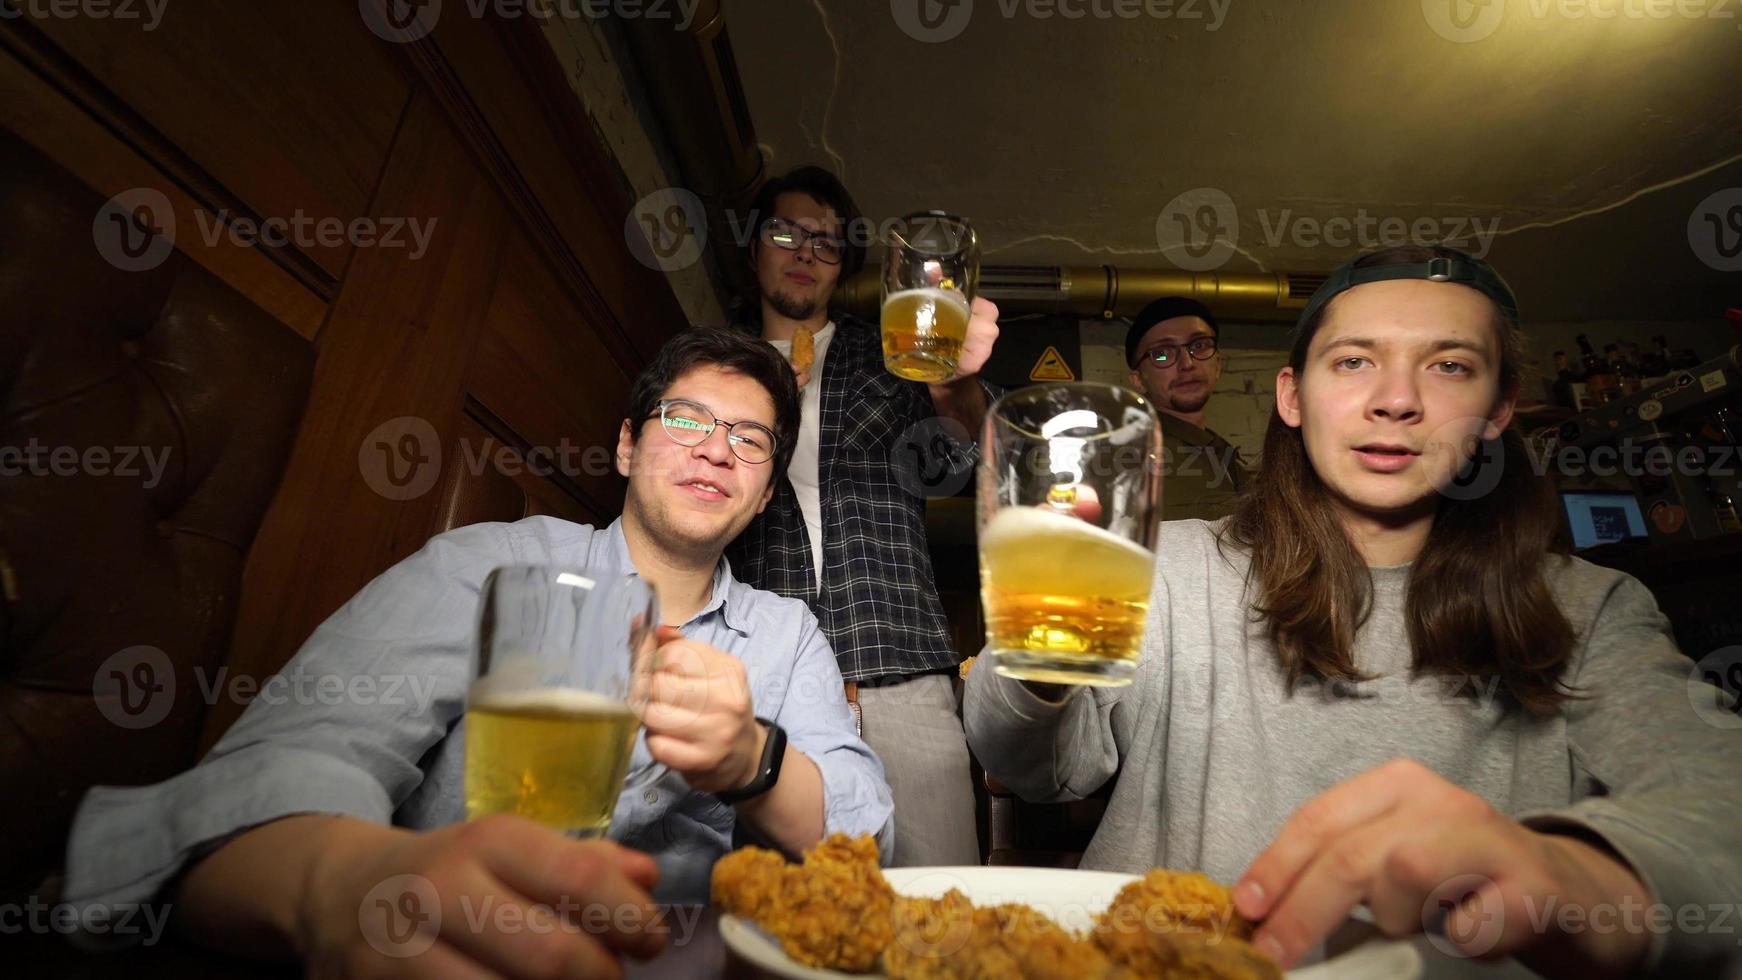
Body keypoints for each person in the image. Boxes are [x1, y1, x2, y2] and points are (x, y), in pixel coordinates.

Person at [966, 246, 1742, 977]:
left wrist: (1567, 872)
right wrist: (1038, 637)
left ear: (1500, 409)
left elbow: (1720, 810)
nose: (1396, 400)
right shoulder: (1171, 569)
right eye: (1354, 361)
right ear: (1292, 396)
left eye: (1448, 365)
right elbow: (1035, 769)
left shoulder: (1592, 609)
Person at [61, 328, 893, 974]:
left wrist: (754, 757)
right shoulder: (491, 565)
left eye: (752, 440)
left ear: (761, 497)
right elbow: (283, 771)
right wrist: (350, 888)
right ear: (628, 446)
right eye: (687, 418)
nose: (718, 448)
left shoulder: (787, 634)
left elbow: (870, 839)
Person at [725, 166, 999, 867]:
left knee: (943, 908)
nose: (806, 253)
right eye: (787, 233)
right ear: (754, 245)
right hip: (764, 674)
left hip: (898, 658)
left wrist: (955, 383)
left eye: (827, 242)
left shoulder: (895, 352)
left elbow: (954, 465)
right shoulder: (717, 367)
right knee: (786, 914)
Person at [1124, 296, 1249, 521]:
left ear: (1218, 365)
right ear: (1138, 380)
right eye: (1162, 353)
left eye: (1199, 346)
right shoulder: (1125, 459)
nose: (1187, 364)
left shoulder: (1226, 457)